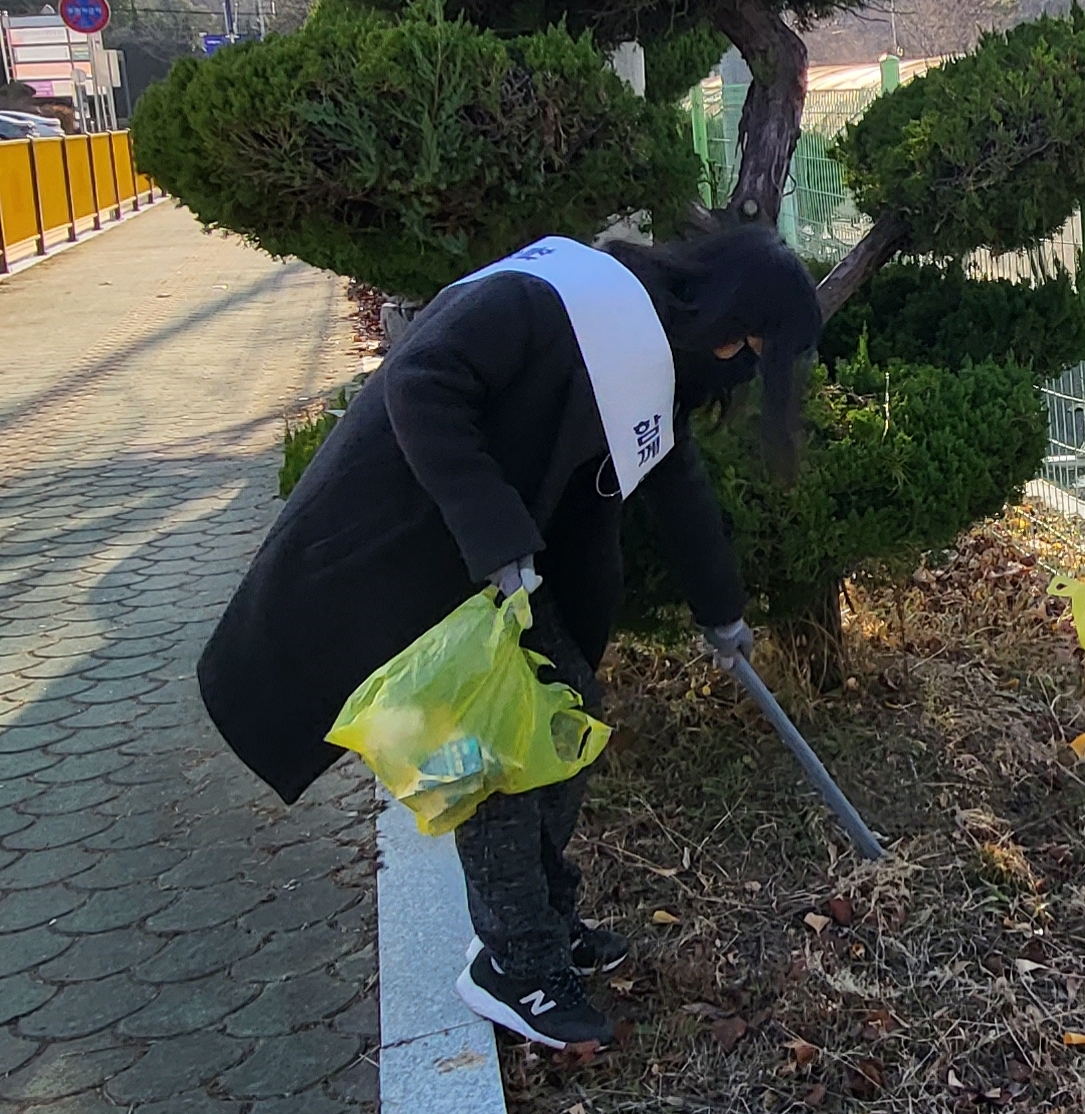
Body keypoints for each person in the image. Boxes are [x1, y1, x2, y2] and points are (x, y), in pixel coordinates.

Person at [197, 226, 822, 1048]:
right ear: (726, 315)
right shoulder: (548, 301)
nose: (741, 367)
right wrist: (498, 539)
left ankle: (545, 919)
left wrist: (722, 612)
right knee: (502, 756)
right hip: (416, 546)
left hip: (495, 571)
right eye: (747, 347)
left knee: (564, 716)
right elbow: (420, 384)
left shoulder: (648, 355)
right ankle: (515, 963)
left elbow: (676, 482)